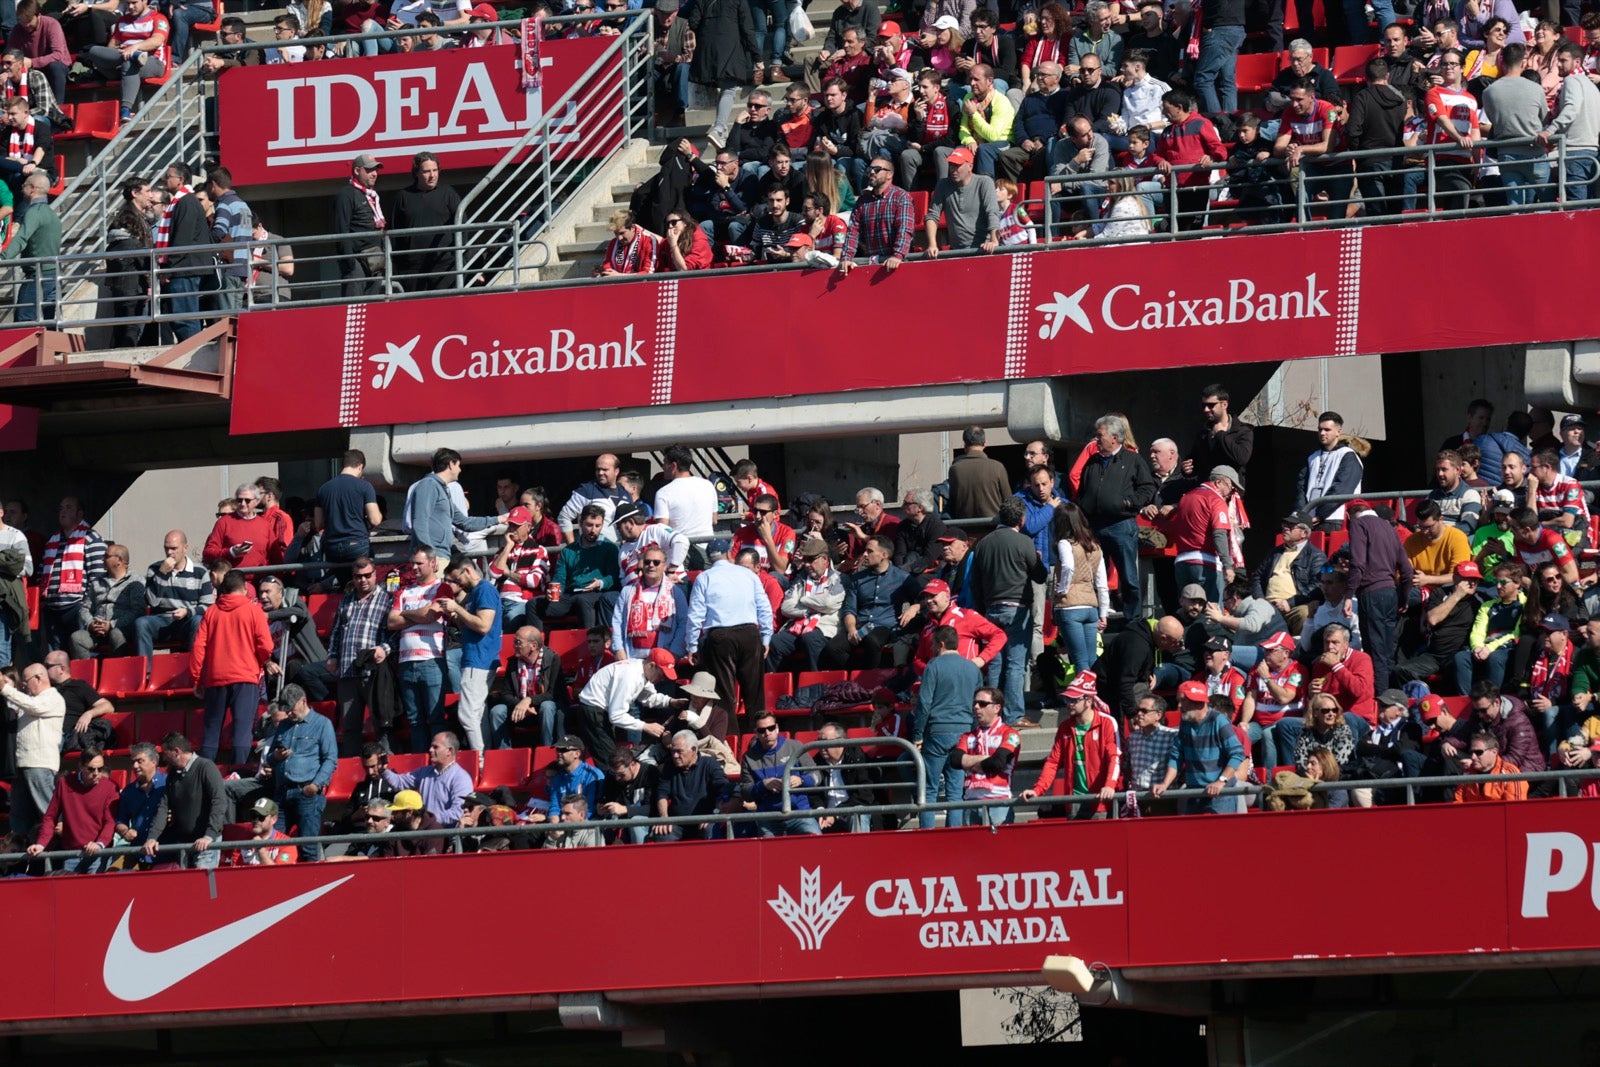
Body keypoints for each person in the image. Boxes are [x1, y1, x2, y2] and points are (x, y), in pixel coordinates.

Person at [968, 498, 1047, 726]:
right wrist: (1038, 561)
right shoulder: (1024, 542)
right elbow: (1040, 576)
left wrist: (981, 611)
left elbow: (975, 582)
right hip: (1017, 609)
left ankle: (990, 714)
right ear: (1022, 520)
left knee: (994, 663)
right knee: (1014, 665)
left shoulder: (982, 544)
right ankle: (1013, 715)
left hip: (991, 610)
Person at [189, 568, 272, 766]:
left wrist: (197, 679)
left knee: (211, 731)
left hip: (216, 679)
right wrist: (260, 661)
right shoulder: (254, 610)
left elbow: (198, 647)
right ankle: (239, 774)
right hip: (245, 677)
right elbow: (267, 646)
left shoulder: (211, 612)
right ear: (244, 588)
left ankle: (206, 775)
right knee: (242, 731)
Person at [1078, 413, 1157, 618]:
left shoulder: (1133, 460)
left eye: (1100, 435)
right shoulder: (1092, 462)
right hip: (1095, 526)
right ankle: (1097, 617)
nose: (1096, 439)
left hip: (1121, 525)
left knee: (1128, 577)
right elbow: (1082, 489)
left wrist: (1129, 503)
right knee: (1094, 575)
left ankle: (1133, 620)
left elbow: (1147, 488)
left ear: (1114, 437)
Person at [685, 550, 773, 727]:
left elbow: (695, 615)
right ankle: (757, 735)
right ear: (728, 553)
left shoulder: (704, 577)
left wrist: (692, 646)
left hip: (721, 636)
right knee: (754, 692)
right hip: (749, 633)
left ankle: (729, 740)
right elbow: (764, 607)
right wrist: (766, 637)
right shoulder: (748, 574)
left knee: (724, 694)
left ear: (709, 558)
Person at [912, 624, 984, 828]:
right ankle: (955, 838)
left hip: (937, 731)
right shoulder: (972, 668)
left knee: (929, 789)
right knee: (955, 792)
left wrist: (918, 735)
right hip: (963, 732)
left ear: (941, 643)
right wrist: (972, 732)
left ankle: (928, 838)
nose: (932, 647)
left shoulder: (933, 666)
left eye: (934, 643)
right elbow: (977, 704)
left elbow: (924, 703)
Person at [1022, 671, 1120, 818]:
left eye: (1074, 700)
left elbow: (1115, 758)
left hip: (1101, 800)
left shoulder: (1107, 722)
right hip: (1074, 800)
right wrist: (1037, 790)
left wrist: (1109, 785)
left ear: (1089, 700)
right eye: (1067, 699)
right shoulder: (1065, 727)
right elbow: (1053, 762)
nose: (1069, 704)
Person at [325, 556, 395, 757]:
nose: (363, 580)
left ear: (375, 574)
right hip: (347, 670)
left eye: (367, 576)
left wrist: (385, 648)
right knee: (349, 728)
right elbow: (336, 631)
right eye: (358, 577)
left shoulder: (388, 599)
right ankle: (352, 771)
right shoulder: (346, 600)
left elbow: (396, 633)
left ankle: (388, 770)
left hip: (374, 671)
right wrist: (332, 655)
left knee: (383, 724)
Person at [1347, 499, 1414, 692]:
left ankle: (1381, 701)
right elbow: (1407, 571)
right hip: (1390, 593)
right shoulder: (1389, 528)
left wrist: (1347, 595)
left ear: (1349, 516)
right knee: (1387, 651)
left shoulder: (1359, 524)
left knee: (1375, 652)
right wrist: (1403, 598)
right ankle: (1393, 697)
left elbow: (1358, 564)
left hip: (1371, 594)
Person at [1152, 680, 1247, 814]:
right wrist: (1165, 784)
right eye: (1178, 700)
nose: (1179, 706)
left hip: (1220, 794)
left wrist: (1220, 782)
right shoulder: (1186, 722)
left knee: (1223, 833)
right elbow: (1176, 756)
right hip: (1194, 792)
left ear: (1197, 701)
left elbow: (1237, 754)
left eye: (1183, 700)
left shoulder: (1218, 720)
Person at [439, 554, 501, 752]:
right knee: (477, 713)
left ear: (467, 571)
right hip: (476, 657)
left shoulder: (485, 590)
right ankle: (484, 758)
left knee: (467, 714)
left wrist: (457, 607)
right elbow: (469, 624)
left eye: (458, 579)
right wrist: (455, 615)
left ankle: (480, 760)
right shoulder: (475, 594)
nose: (457, 584)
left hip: (479, 658)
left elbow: (483, 625)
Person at [573, 647, 674, 765]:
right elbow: (616, 716)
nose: (663, 679)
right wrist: (646, 726)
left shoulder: (640, 669)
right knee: (611, 763)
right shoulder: (631, 677)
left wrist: (670, 701)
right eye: (662, 674)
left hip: (596, 709)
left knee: (612, 760)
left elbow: (648, 697)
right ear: (651, 665)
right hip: (593, 711)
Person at [145, 732, 227, 868]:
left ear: (177, 751)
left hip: (206, 842)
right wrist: (152, 838)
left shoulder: (206, 767)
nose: (163, 758)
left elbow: (219, 801)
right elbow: (163, 807)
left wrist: (209, 836)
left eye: (166, 753)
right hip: (183, 843)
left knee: (203, 884)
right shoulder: (172, 775)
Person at [1, 661, 63, 840]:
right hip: (21, 766)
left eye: (25, 682)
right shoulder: (30, 701)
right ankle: (18, 862)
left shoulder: (53, 697)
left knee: (46, 814)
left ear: (38, 678)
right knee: (19, 819)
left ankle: (54, 860)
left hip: (39, 765)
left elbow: (33, 706)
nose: (23, 686)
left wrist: (5, 688)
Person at [407, 447, 504, 559]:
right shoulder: (428, 484)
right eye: (458, 465)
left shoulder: (442, 490)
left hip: (442, 555)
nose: (460, 470)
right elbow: (419, 522)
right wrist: (429, 556)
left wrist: (498, 519)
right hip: (433, 557)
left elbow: (465, 523)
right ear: (451, 465)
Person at [738, 711, 821, 835]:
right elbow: (745, 792)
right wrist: (763, 785)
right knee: (768, 852)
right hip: (768, 817)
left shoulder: (795, 747)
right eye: (762, 730)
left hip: (799, 813)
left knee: (817, 843)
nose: (767, 733)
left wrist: (801, 780)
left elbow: (817, 776)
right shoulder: (748, 757)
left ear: (777, 728)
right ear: (756, 732)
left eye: (771, 728)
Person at [1537, 42, 1600, 202]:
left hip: (1574, 151)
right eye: (1558, 60)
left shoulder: (1572, 81)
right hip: (1591, 151)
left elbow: (1572, 108)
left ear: (1577, 62)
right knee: (1588, 205)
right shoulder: (1592, 85)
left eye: (1563, 60)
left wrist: (1550, 130)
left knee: (1576, 206)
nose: (1558, 65)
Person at [842, 534, 917, 669]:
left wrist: (915, 607)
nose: (864, 554)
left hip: (884, 626)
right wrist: (851, 629)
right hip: (860, 626)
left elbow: (923, 596)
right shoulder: (857, 579)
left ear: (884, 555)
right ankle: (849, 681)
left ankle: (870, 681)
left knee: (872, 641)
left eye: (870, 551)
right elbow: (849, 609)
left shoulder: (901, 577)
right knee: (834, 648)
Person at [84, 0, 167, 121]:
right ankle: (133, 56)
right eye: (128, 4)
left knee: (129, 62)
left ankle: (126, 110)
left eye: (134, 3)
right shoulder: (122, 21)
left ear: (145, 1)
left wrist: (135, 47)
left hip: (152, 61)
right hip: (123, 59)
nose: (130, 7)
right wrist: (123, 51)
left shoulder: (158, 18)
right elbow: (111, 47)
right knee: (93, 51)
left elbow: (157, 41)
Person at [390, 151, 460, 292]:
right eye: (427, 171)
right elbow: (394, 233)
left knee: (446, 308)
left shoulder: (448, 193)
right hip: (412, 269)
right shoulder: (403, 197)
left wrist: (460, 259)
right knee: (416, 311)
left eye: (435, 170)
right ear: (416, 173)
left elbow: (462, 228)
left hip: (444, 266)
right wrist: (398, 265)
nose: (432, 175)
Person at [950, 685, 1019, 826]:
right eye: (975, 703)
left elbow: (997, 763)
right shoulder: (967, 735)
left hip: (999, 801)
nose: (976, 707)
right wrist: (985, 759)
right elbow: (955, 761)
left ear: (997, 708)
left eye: (982, 704)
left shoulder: (1010, 734)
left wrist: (969, 762)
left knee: (1000, 847)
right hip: (971, 801)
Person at [653, 728, 736, 841]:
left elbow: (723, 789)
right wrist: (663, 818)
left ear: (693, 749)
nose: (675, 756)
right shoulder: (669, 765)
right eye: (673, 751)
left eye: (679, 751)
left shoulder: (710, 764)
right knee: (662, 834)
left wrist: (715, 815)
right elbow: (662, 794)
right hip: (677, 823)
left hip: (704, 821)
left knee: (711, 830)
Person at [838, 153, 914, 272]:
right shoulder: (862, 201)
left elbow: (904, 229)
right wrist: (846, 257)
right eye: (870, 169)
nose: (872, 172)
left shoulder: (901, 197)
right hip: (872, 266)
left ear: (890, 174)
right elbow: (852, 232)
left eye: (877, 169)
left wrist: (897, 255)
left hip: (899, 265)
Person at [382, 731, 473, 827]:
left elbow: (457, 812)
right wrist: (383, 770)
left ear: (449, 751)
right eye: (431, 746)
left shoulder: (461, 779)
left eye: (435, 747)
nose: (430, 750)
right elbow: (399, 783)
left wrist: (426, 821)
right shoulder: (424, 772)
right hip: (424, 832)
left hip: (445, 836)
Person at [314, 449, 382, 571]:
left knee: (343, 586)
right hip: (357, 545)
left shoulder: (323, 489)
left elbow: (318, 524)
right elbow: (375, 520)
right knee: (364, 582)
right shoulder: (364, 486)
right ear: (360, 466)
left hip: (332, 548)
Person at [1296, 412, 1365, 528]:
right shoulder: (1313, 457)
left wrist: (1320, 515)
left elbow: (1342, 489)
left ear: (1338, 431)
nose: (1322, 433)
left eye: (1327, 430)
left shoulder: (1348, 456)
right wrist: (1301, 514)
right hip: (1309, 519)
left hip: (1334, 518)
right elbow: (1301, 488)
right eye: (1320, 429)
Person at [333, 153, 386, 297]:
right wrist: (350, 264)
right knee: (354, 306)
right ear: (357, 171)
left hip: (375, 261)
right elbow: (341, 229)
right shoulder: (346, 194)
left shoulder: (372, 195)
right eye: (369, 170)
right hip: (356, 263)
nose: (374, 174)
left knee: (373, 309)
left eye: (376, 170)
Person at [1451, 730, 1528, 802]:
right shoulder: (1467, 773)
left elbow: (1515, 809)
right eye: (1471, 752)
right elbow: (1458, 802)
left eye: (1478, 752)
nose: (1473, 757)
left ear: (1494, 752)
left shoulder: (1510, 773)